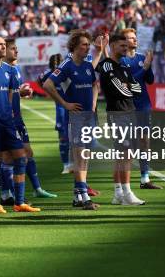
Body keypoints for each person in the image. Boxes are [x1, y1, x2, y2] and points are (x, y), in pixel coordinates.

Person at [0, 36, 40, 214]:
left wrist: (11, 113)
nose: (3, 47)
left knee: (21, 158)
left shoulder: (9, 70)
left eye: (5, 45)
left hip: (8, 122)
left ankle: (19, 202)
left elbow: (12, 95)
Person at [43, 29, 100, 210]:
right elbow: (48, 84)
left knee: (85, 157)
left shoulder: (87, 65)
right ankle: (84, 197)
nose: (86, 48)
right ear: (74, 46)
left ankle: (79, 196)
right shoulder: (67, 65)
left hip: (89, 116)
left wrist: (93, 104)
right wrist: (65, 104)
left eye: (88, 45)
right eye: (84, 45)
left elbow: (94, 85)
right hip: (75, 117)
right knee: (79, 156)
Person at [96, 33, 146, 206]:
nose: (126, 49)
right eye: (122, 46)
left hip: (130, 113)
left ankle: (118, 193)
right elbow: (121, 91)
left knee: (123, 155)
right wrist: (128, 87)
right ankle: (127, 193)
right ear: (113, 46)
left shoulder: (124, 67)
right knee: (124, 154)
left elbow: (138, 89)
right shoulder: (107, 66)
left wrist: (128, 86)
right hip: (118, 114)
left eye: (127, 46)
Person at [4, 38, 57, 199]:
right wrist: (18, 94)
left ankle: (36, 188)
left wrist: (24, 93)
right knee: (8, 156)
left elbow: (16, 92)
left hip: (17, 117)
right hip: (7, 119)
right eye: (13, 48)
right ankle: (7, 193)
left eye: (16, 48)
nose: (16, 51)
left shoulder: (16, 69)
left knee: (28, 152)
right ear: (4, 51)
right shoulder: (1, 70)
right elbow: (1, 95)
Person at [121, 28, 162, 189]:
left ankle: (145, 178)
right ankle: (125, 184)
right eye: (130, 38)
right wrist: (144, 68)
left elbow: (150, 80)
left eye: (135, 37)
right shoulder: (122, 61)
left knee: (145, 142)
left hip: (144, 105)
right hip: (129, 106)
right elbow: (128, 83)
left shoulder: (141, 58)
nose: (134, 40)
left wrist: (149, 65)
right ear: (124, 42)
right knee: (130, 145)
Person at [37, 54, 71, 174]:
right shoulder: (49, 74)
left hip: (71, 105)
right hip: (61, 107)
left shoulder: (67, 71)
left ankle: (74, 163)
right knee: (63, 137)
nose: (56, 66)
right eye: (54, 64)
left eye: (58, 63)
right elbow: (40, 80)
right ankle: (66, 165)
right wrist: (49, 93)